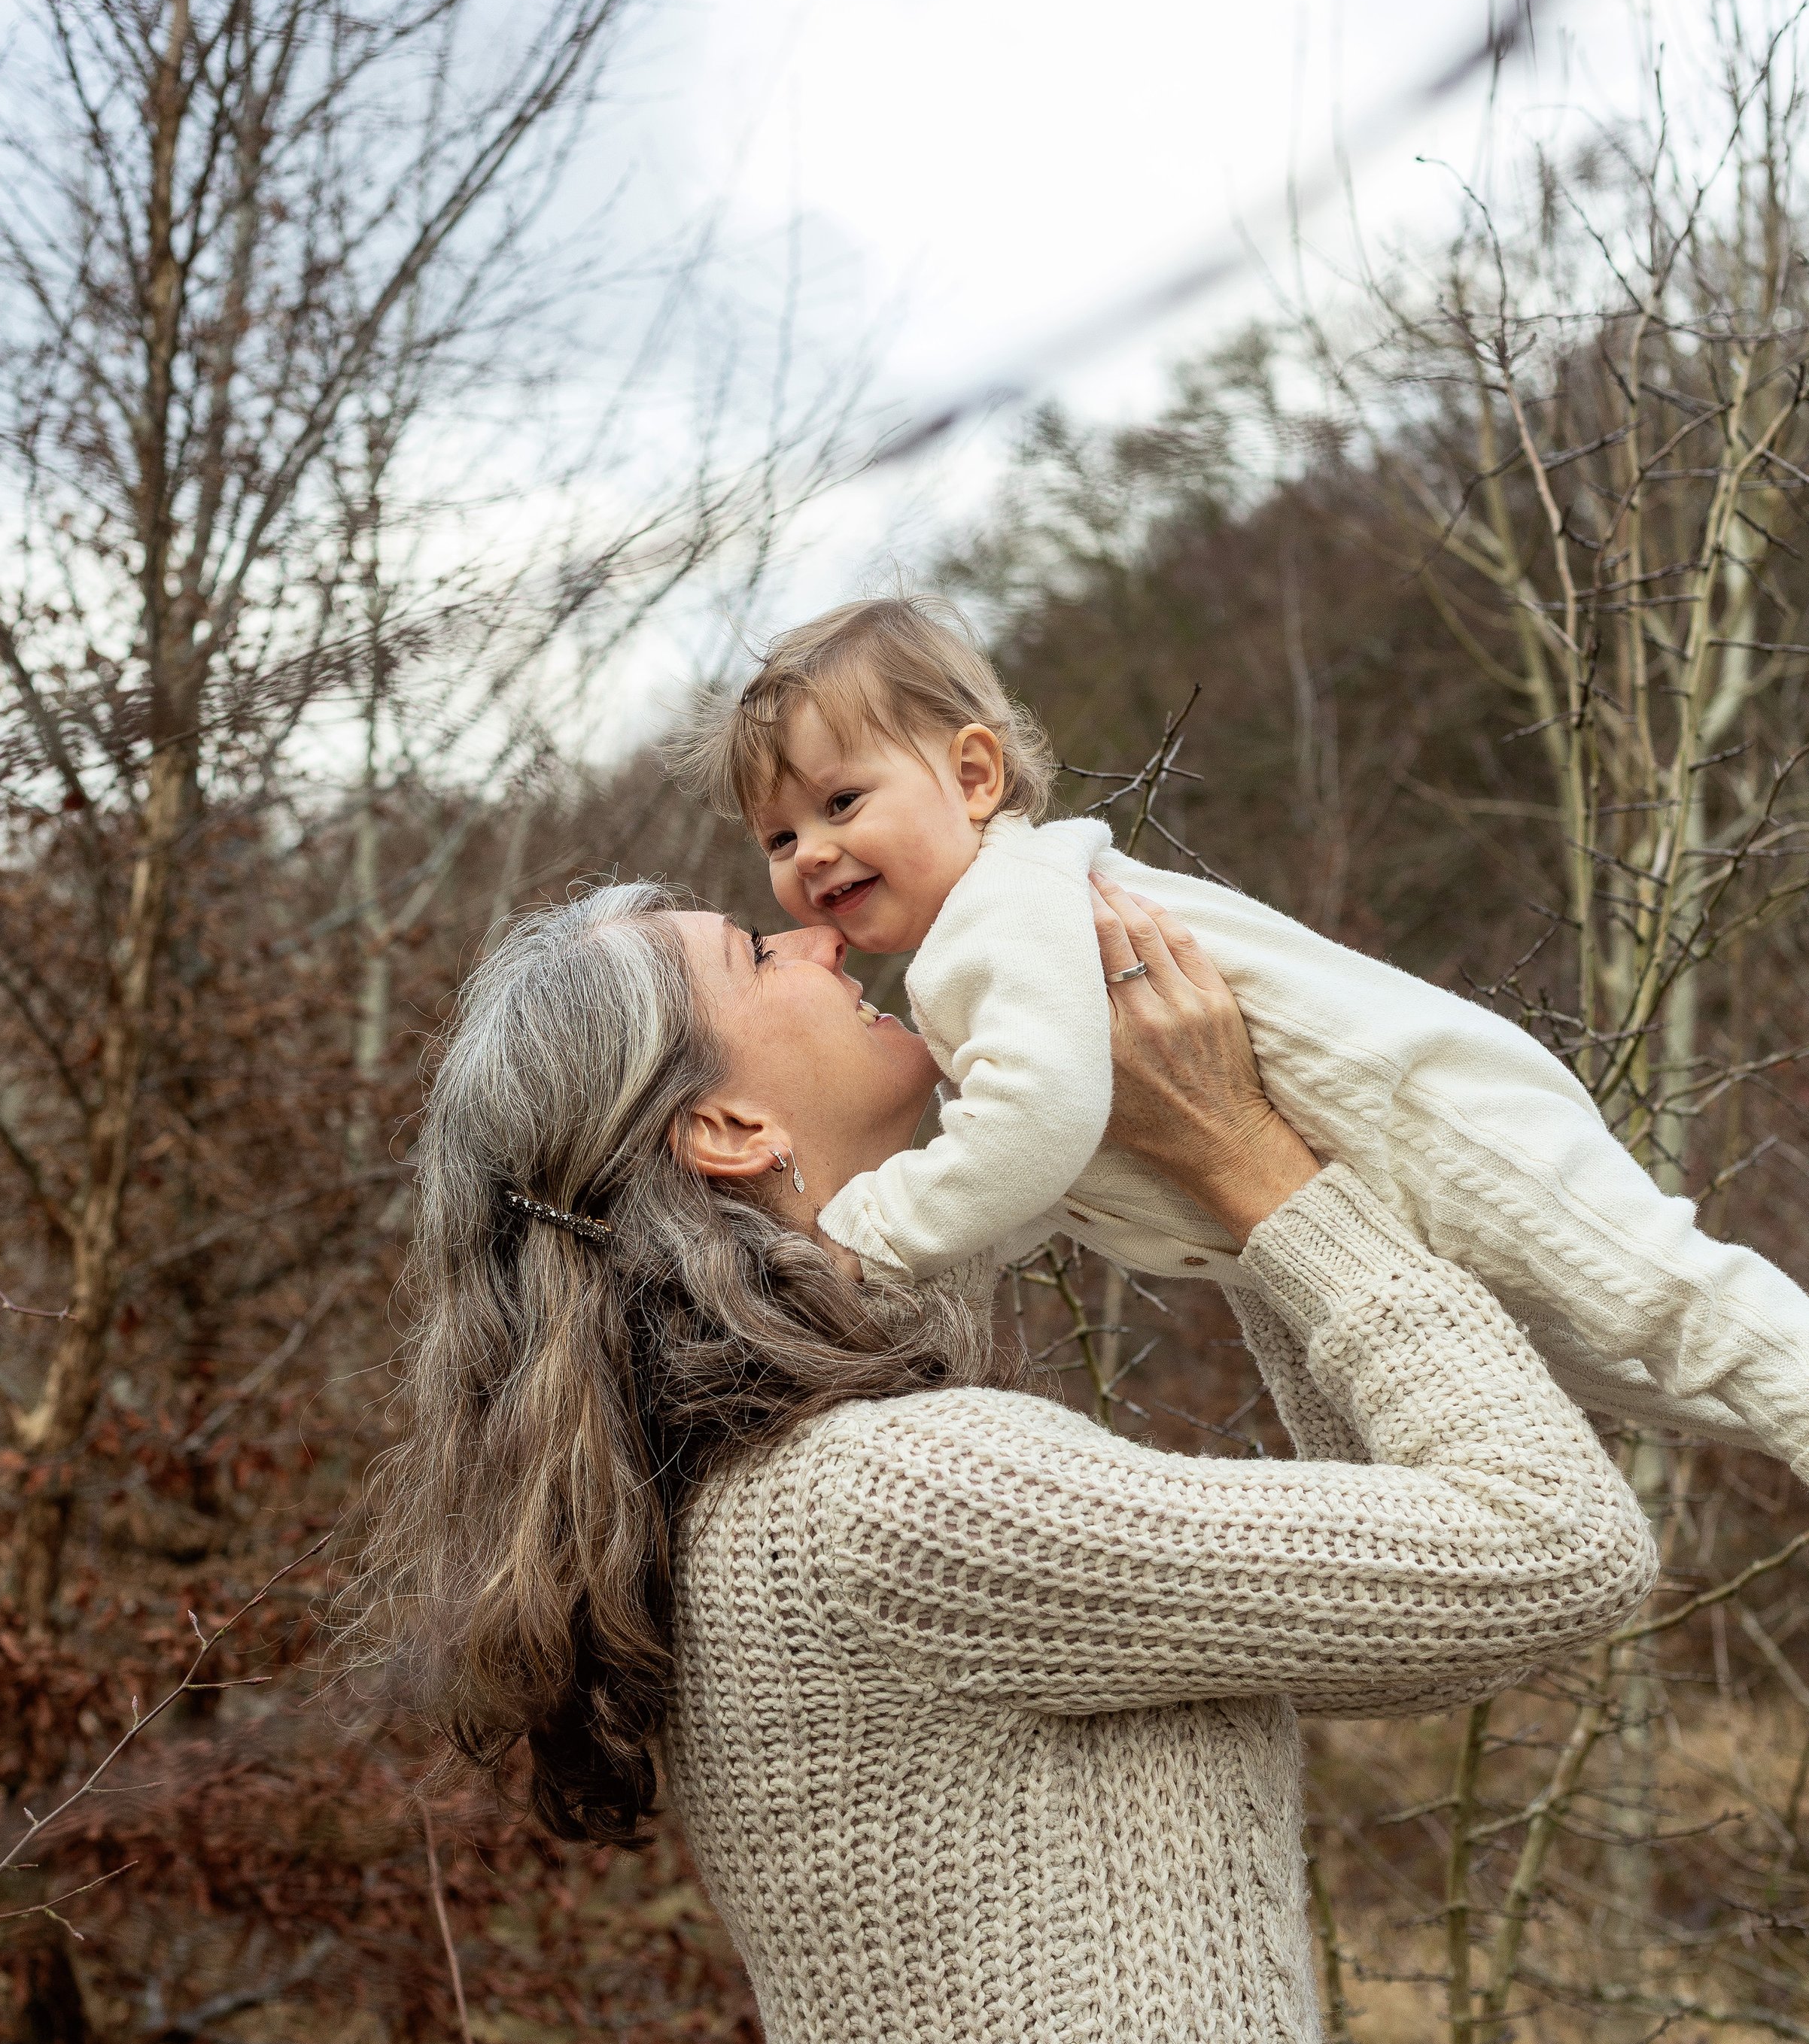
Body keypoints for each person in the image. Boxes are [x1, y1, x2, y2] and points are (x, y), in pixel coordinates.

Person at [354, 872, 1658, 2044]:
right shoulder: (903, 1497)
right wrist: (1256, 1167)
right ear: (725, 1132)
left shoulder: (768, 1502)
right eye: (753, 950)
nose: (821, 934)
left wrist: (1221, 1198)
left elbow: (1398, 1578)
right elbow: (1549, 1548)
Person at [674, 595, 1809, 1475]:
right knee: (1646, 1375)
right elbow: (1031, 1172)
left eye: (839, 804)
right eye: (777, 835)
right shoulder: (969, 952)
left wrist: (875, 1232)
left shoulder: (1003, 906)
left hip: (1435, 1117)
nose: (809, 855)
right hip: (1375, 1175)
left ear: (974, 776)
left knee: (1671, 1306)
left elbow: (1038, 1126)